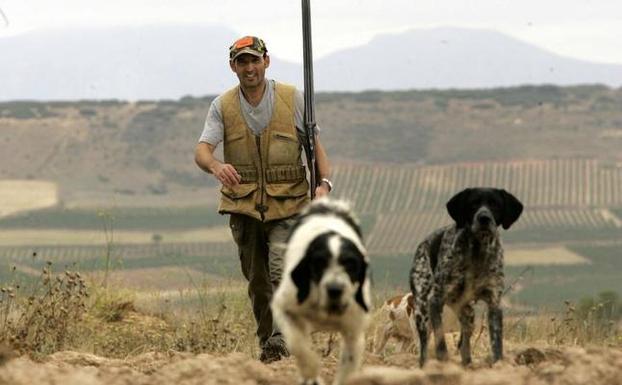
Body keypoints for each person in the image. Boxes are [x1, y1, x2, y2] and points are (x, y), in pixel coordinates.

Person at [194, 35, 332, 363]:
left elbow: (314, 148)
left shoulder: (291, 98)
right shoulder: (222, 106)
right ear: (233, 67)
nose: (250, 67)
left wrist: (323, 185)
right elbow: (202, 150)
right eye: (242, 62)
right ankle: (270, 344)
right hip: (243, 207)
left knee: (280, 271)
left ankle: (284, 336)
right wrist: (215, 165)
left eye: (255, 60)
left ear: (266, 62)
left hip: (289, 203)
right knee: (257, 283)